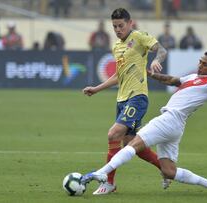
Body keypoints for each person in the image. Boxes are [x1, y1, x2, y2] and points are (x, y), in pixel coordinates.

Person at [81, 51, 207, 196]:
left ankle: (102, 173)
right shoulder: (192, 78)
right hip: (175, 126)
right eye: (200, 62)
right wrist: (150, 74)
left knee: (133, 144)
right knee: (169, 172)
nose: (200, 65)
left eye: (205, 64)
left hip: (170, 119)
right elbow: (171, 80)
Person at [82, 8, 168, 195]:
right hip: (122, 99)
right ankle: (165, 169)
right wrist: (96, 89)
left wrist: (156, 60)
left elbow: (161, 49)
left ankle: (109, 182)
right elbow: (117, 76)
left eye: (121, 25)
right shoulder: (117, 47)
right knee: (132, 145)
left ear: (130, 23)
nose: (118, 29)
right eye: (114, 26)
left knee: (113, 134)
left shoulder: (138, 37)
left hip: (137, 97)